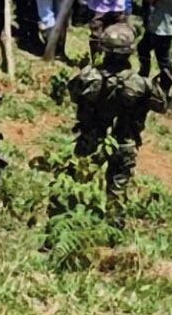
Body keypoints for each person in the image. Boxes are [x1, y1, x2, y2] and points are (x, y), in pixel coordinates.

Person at [60, 23, 165, 203]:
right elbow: (162, 106)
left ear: (104, 49)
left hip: (90, 138)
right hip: (124, 143)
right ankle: (113, 224)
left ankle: (69, 214)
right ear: (130, 52)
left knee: (74, 183)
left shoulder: (87, 77)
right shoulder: (142, 84)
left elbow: (73, 95)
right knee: (116, 194)